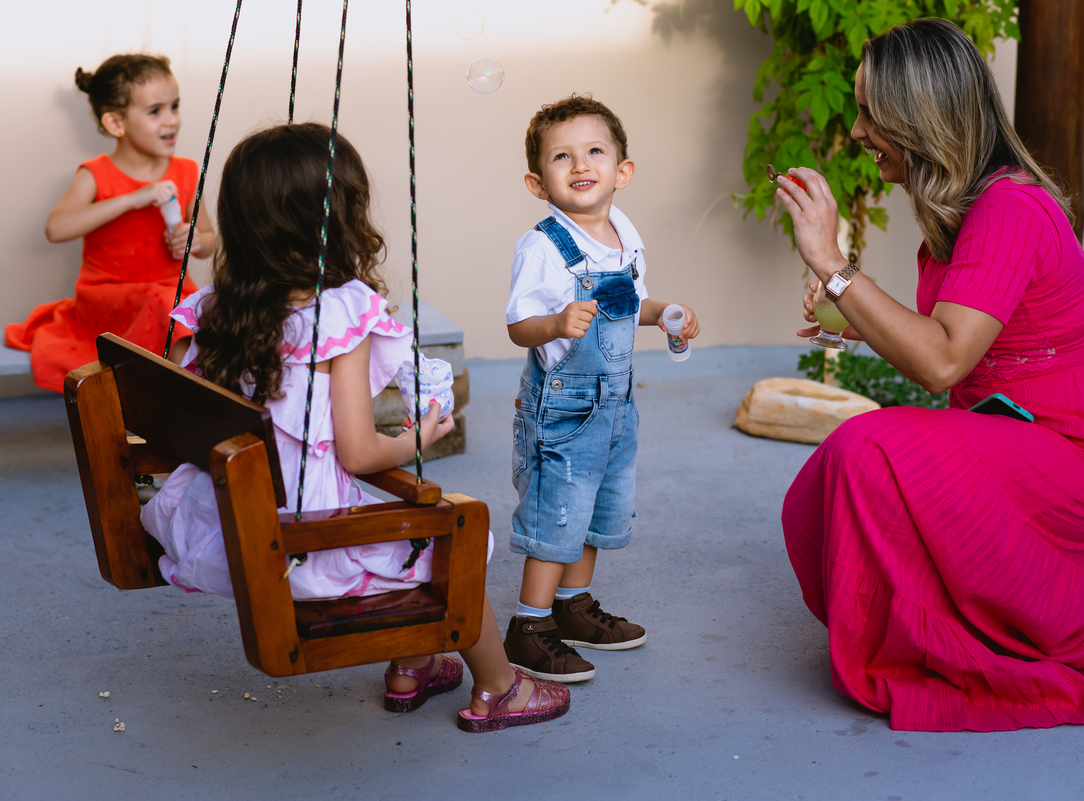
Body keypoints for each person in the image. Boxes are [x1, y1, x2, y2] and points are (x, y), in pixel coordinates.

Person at [775, 19, 1084, 732]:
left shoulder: (1009, 208)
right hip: (1026, 436)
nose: (857, 131)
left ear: (916, 118)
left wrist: (832, 262)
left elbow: (943, 359)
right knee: (843, 468)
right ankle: (970, 619)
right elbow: (963, 349)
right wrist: (852, 315)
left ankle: (957, 642)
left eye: (868, 112)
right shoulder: (971, 212)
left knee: (868, 449)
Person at [141, 123, 569, 733]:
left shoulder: (220, 308)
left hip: (221, 525)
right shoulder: (339, 314)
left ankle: (412, 664)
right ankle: (501, 687)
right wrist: (421, 438)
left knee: (410, 541)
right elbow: (362, 452)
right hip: (303, 544)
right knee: (461, 537)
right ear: (341, 219)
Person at [503, 95, 700, 682]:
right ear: (538, 184)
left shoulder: (624, 232)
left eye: (594, 151)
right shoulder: (542, 246)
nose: (581, 164)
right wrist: (556, 323)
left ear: (623, 170)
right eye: (561, 157)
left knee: (593, 509)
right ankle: (529, 625)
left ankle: (573, 607)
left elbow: (628, 303)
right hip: (563, 407)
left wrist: (666, 311)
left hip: (615, 403)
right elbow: (518, 327)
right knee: (557, 510)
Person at [5, 54, 216, 392]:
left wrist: (197, 240)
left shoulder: (188, 172)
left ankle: (181, 400)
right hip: (108, 298)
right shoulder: (96, 174)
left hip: (171, 293)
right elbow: (55, 229)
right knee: (169, 312)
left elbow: (208, 239)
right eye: (155, 111)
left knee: (207, 314)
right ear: (116, 124)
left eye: (174, 106)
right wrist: (133, 199)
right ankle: (181, 406)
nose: (172, 120)